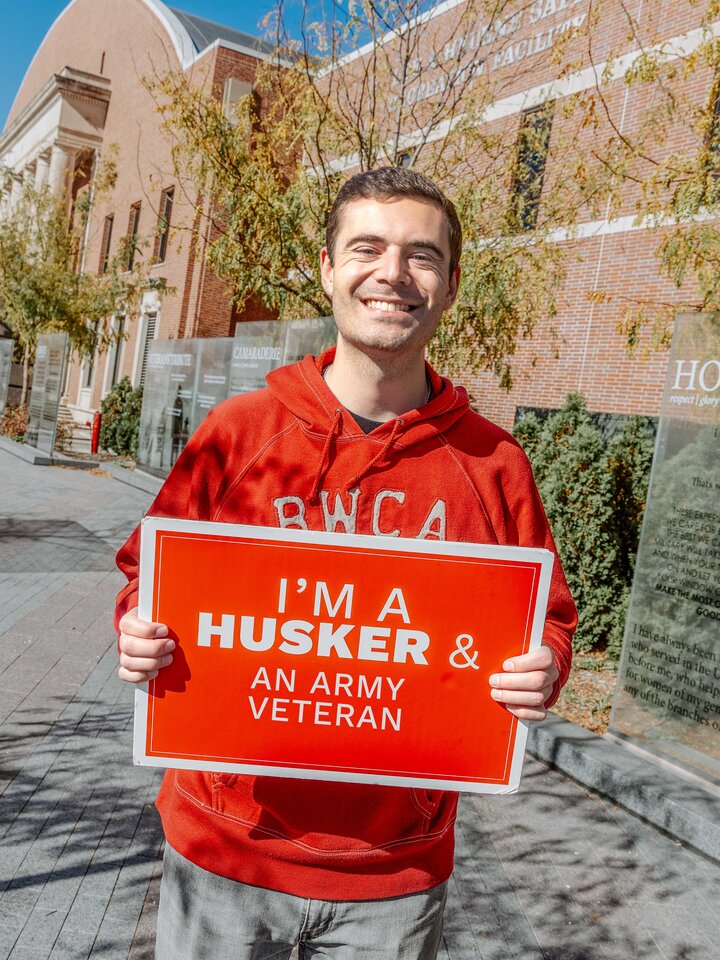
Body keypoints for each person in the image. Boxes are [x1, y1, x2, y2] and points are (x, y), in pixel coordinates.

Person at [115, 167, 577, 959]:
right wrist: (136, 632)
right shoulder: (239, 429)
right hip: (226, 848)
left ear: (451, 284)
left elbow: (550, 621)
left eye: (421, 256)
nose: (393, 273)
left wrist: (546, 666)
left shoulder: (494, 462)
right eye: (368, 247)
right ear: (329, 268)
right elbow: (144, 579)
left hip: (395, 877)